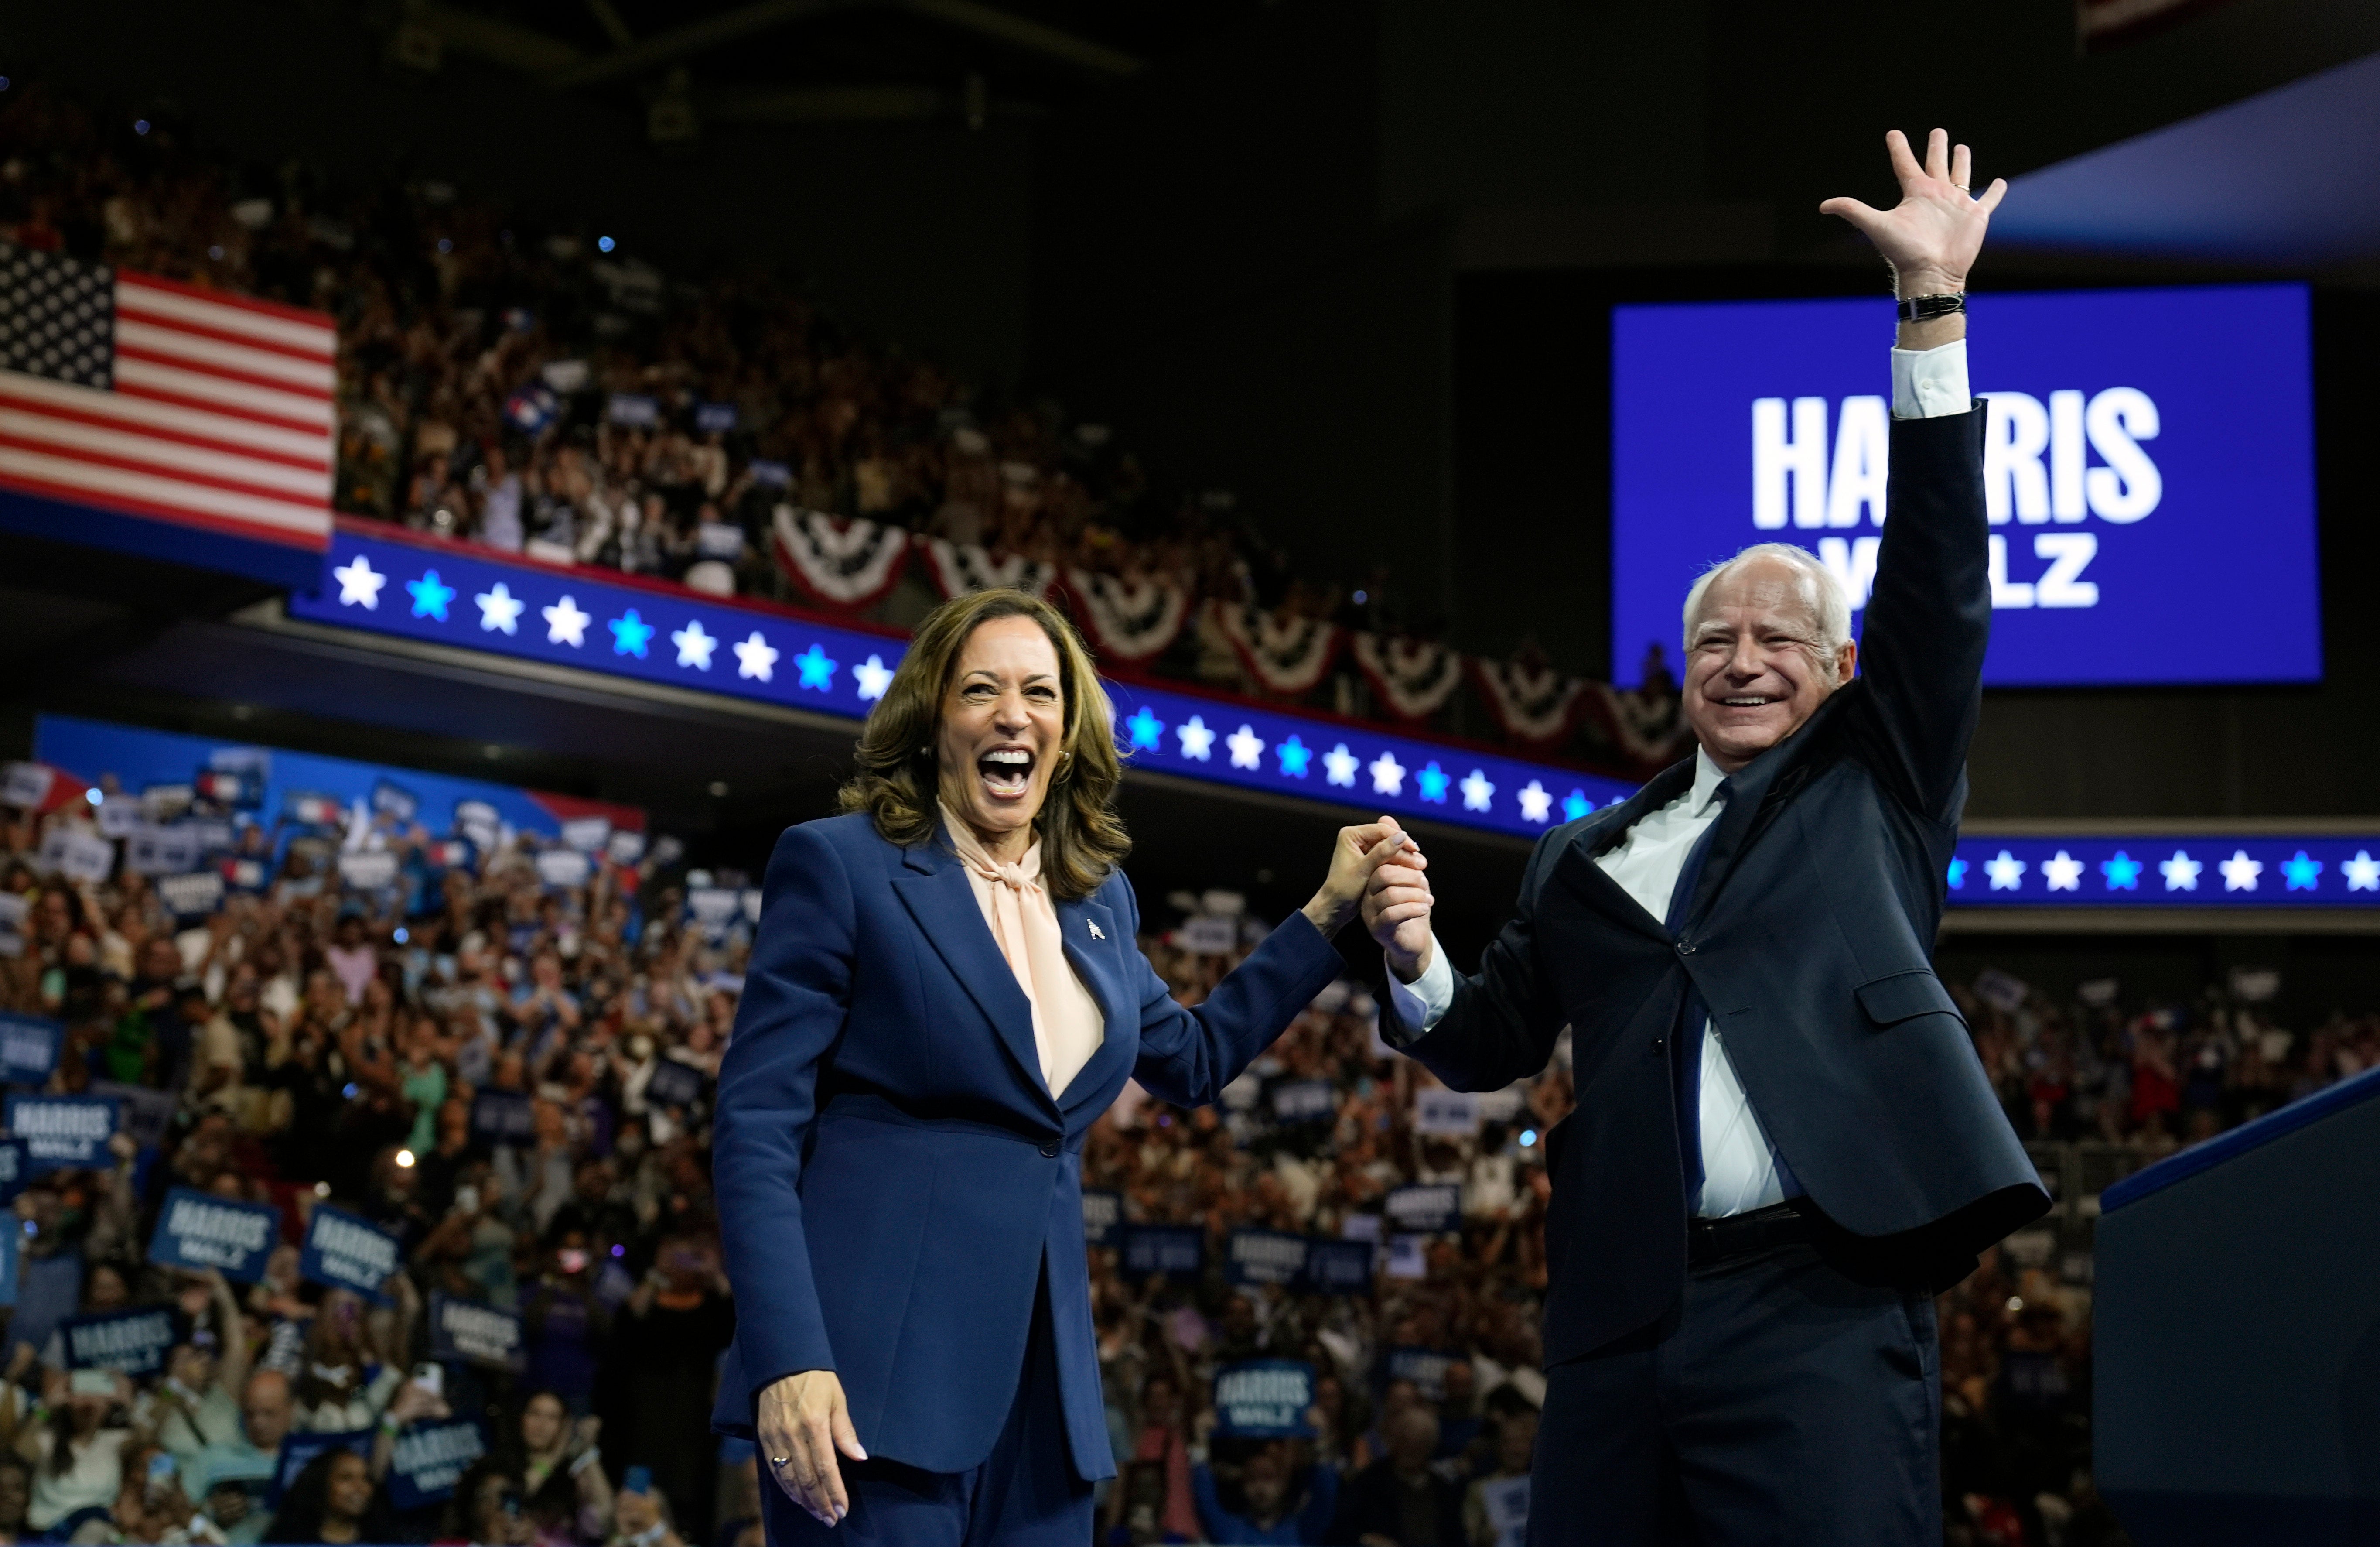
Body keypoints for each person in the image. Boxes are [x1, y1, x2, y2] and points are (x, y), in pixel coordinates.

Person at [1362, 129, 2050, 1545]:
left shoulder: (1877, 783)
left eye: (1777, 638)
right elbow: (1483, 1039)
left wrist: (1929, 310)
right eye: (1713, 639)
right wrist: (1416, 952)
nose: (1742, 660)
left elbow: (1934, 574)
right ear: (1678, 668)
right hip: (1615, 1321)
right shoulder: (1580, 855)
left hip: (1818, 1298)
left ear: (1840, 664)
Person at [709, 587, 1419, 1544]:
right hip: (868, 1385)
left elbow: (1192, 1058)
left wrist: (1328, 913)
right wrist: (785, 1358)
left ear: (1068, 729)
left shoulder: (1097, 900)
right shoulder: (842, 866)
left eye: (1039, 692)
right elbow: (755, 1131)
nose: (1014, 715)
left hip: (1045, 1405)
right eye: (981, 691)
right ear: (931, 724)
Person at [1329, 1407, 1462, 1547]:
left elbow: (1456, 1538)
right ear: (1394, 1441)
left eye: (1420, 1443)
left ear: (1431, 1446)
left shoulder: (1444, 1491)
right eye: (1406, 1441)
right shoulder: (1368, 1483)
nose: (1412, 1449)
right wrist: (1366, 1540)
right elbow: (1341, 1531)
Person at [263, 1446, 380, 1544]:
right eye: (346, 1478)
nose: (360, 1487)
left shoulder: (384, 1538)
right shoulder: (287, 1540)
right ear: (322, 1485)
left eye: (366, 1479)